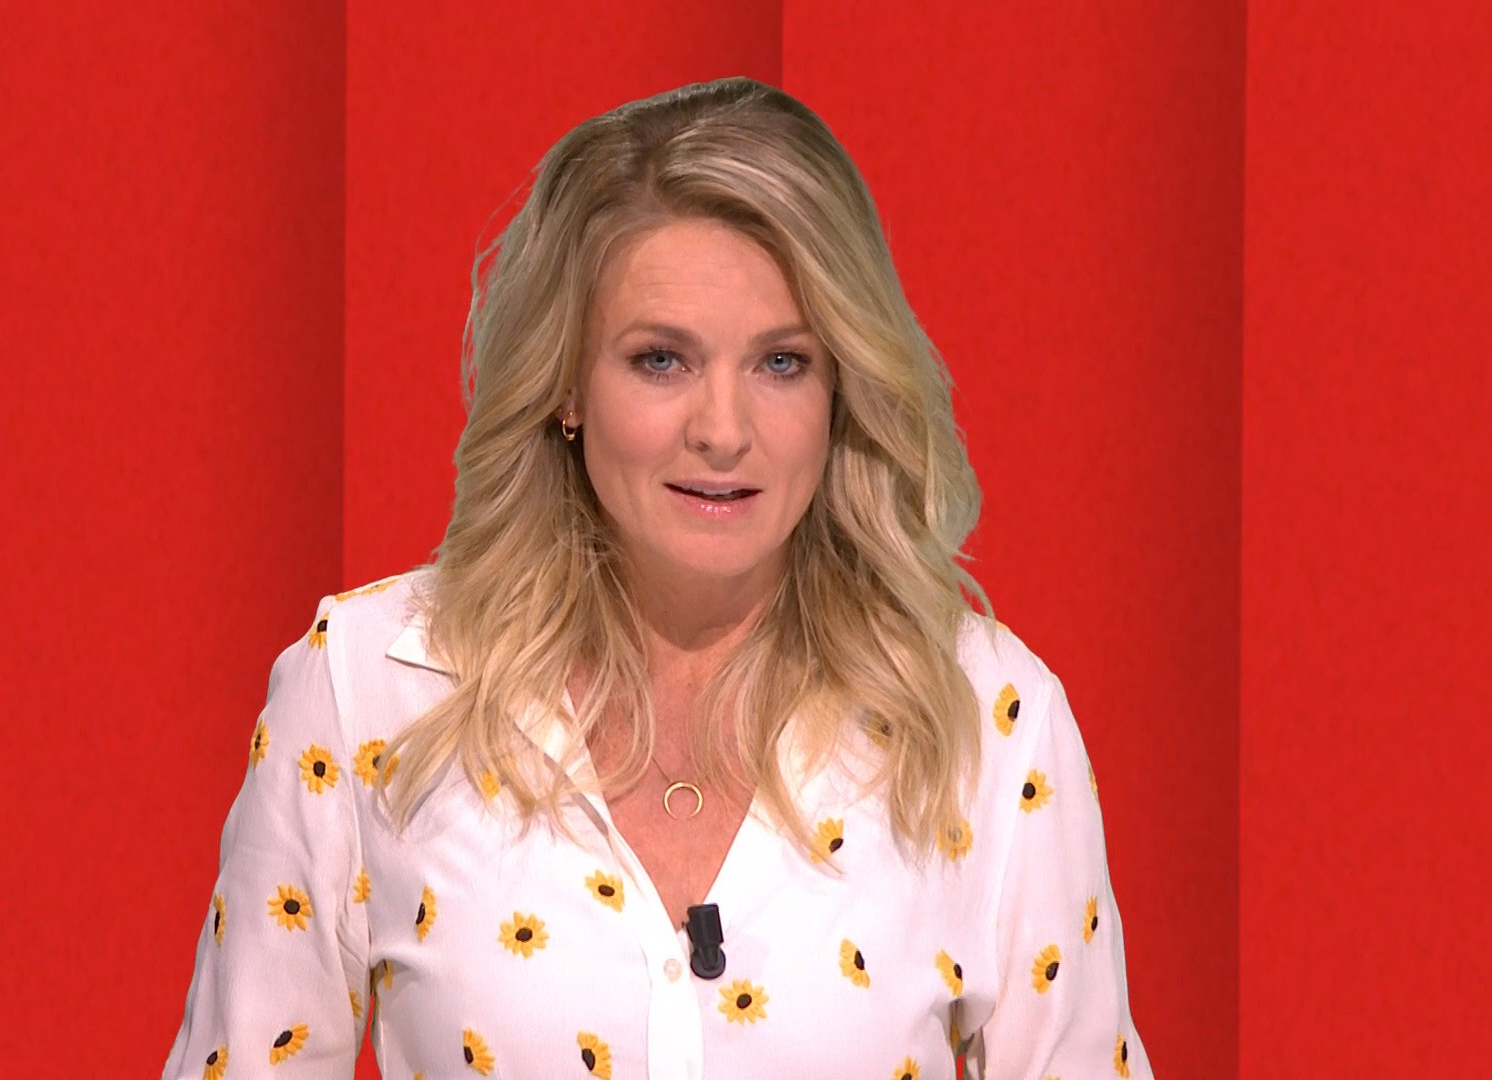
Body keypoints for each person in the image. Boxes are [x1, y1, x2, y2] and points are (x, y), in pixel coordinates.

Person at [160, 75, 1153, 1080]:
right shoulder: (368, 689)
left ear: (843, 388)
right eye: (661, 361)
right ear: (565, 385)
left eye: (781, 364)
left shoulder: (986, 718)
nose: (723, 430)